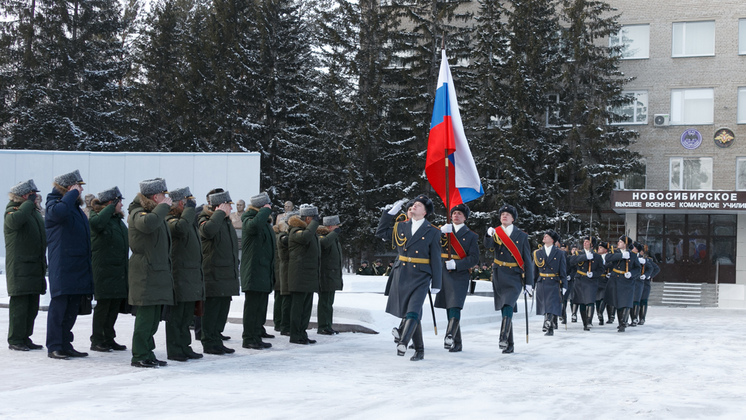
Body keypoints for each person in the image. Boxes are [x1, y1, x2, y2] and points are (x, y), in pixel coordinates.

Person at [376, 195, 442, 361]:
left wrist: (437, 281)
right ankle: (419, 350)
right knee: (410, 312)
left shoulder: (432, 231)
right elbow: (381, 232)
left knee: (413, 310)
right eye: (413, 204)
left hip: (421, 275)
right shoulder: (400, 226)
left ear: (425, 212)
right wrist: (388, 215)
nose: (413, 206)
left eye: (418, 205)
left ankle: (403, 342)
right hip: (402, 273)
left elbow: (436, 258)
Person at [45, 170, 94, 360]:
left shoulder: (73, 207)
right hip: (63, 264)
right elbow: (57, 214)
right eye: (77, 187)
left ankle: (65, 343)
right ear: (68, 188)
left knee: (72, 307)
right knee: (59, 307)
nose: (81, 190)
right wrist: (72, 194)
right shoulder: (54, 204)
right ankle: (55, 345)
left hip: (77, 264)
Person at [128, 178, 174, 367]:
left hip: (156, 272)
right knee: (146, 318)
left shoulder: (155, 213)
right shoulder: (138, 213)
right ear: (155, 196)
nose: (166, 199)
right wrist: (163, 207)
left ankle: (148, 352)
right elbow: (148, 224)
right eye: (163, 195)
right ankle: (139, 354)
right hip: (145, 273)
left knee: (154, 318)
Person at [484, 204, 534, 354]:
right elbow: (488, 247)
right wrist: (488, 235)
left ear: (513, 218)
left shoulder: (522, 235)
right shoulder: (495, 232)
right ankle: (509, 343)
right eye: (502, 214)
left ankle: (503, 336)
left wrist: (529, 283)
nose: (504, 216)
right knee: (505, 307)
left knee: (508, 304)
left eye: (507, 214)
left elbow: (527, 260)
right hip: (499, 273)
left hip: (514, 275)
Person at [4, 179, 46, 351]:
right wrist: (28, 204)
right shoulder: (12, 210)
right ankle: (15, 339)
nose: (36, 197)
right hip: (20, 267)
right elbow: (16, 221)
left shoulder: (32, 212)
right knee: (20, 306)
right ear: (24, 196)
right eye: (32, 195)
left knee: (32, 306)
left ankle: (25, 336)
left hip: (34, 265)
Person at [165, 187, 204, 362]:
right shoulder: (170, 218)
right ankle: (175, 348)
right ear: (181, 202)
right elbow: (179, 229)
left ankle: (184, 346)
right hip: (179, 273)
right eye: (187, 202)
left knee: (187, 314)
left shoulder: (188, 219)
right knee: (176, 315)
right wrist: (189, 210)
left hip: (191, 273)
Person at [199, 189, 240, 354]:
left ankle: (216, 339)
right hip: (213, 273)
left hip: (226, 274)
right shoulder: (206, 218)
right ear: (221, 205)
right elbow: (207, 231)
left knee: (222, 310)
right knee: (212, 311)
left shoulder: (226, 221)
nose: (231, 208)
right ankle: (209, 342)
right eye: (228, 205)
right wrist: (218, 214)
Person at [434, 204, 479, 352]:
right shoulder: (443, 230)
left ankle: (449, 335)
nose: (456, 215)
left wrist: (457, 264)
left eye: (459, 213)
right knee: (449, 306)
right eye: (454, 213)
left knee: (455, 305)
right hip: (444, 273)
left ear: (465, 217)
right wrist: (439, 233)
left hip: (460, 274)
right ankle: (457, 341)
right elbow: (432, 246)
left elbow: (474, 258)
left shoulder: (471, 235)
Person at [89, 187, 129, 352]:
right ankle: (97, 339)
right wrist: (110, 208)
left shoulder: (117, 220)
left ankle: (109, 338)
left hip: (118, 271)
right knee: (103, 306)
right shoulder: (96, 217)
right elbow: (97, 224)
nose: (121, 205)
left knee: (114, 306)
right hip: (104, 271)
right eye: (119, 202)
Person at [241, 192, 276, 350]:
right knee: (252, 308)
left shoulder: (264, 222)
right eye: (267, 205)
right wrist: (264, 211)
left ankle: (256, 335)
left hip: (263, 271)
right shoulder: (249, 219)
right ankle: (249, 338)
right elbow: (254, 227)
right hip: (254, 272)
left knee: (260, 307)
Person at [287, 205, 322, 344]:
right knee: (298, 308)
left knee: (306, 308)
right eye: (313, 219)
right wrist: (314, 224)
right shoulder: (295, 231)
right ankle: (295, 335)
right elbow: (305, 238)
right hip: (299, 276)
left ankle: (302, 332)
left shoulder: (309, 231)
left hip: (308, 275)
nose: (315, 222)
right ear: (308, 218)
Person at [533, 230, 566, 337]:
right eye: (544, 235)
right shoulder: (537, 252)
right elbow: (534, 270)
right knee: (544, 304)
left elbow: (563, 270)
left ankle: (549, 326)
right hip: (542, 282)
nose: (544, 237)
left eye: (547, 236)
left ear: (552, 240)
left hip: (553, 282)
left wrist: (564, 284)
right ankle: (547, 322)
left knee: (551, 304)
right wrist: (531, 284)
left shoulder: (559, 253)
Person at [605, 235, 641, 332]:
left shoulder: (633, 255)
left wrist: (631, 274)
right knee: (618, 303)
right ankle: (621, 322)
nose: (618, 243)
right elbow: (607, 258)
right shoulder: (615, 252)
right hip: (616, 280)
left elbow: (638, 269)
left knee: (626, 302)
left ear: (625, 245)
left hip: (627, 281)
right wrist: (621, 256)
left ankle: (623, 322)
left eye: (620, 242)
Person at [568, 236, 604, 331]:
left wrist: (594, 274)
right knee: (582, 302)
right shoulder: (578, 253)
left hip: (591, 281)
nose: (585, 243)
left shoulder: (597, 256)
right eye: (584, 241)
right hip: (580, 280)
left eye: (587, 242)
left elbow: (601, 269)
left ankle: (589, 321)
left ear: (592, 244)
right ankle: (585, 322)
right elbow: (571, 261)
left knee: (590, 301)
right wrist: (585, 257)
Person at [317, 215, 343, 335]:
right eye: (336, 226)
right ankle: (323, 326)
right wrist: (333, 234)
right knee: (325, 302)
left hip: (331, 274)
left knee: (329, 302)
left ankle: (327, 325)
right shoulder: (322, 236)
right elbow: (323, 244)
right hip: (325, 274)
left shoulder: (333, 238)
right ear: (330, 226)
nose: (338, 228)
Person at [636, 245, 660, 325]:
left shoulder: (647, 260)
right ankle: (635, 317)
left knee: (643, 300)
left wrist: (649, 275)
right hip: (637, 283)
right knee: (636, 301)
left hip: (645, 283)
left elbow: (656, 268)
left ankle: (642, 318)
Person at [595, 241, 612, 325]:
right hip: (597, 279)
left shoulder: (609, 258)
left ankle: (600, 313)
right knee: (597, 299)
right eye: (599, 247)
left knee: (603, 297)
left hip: (606, 279)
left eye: (601, 248)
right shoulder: (596, 257)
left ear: (606, 250)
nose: (599, 249)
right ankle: (599, 315)